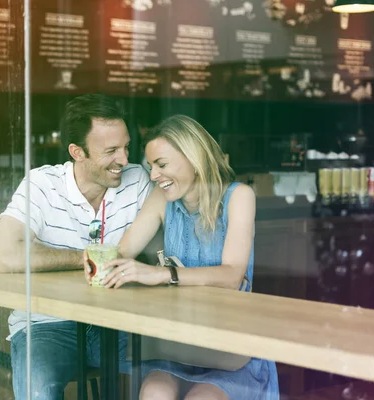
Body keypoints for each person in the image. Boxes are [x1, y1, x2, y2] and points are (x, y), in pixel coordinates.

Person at [84, 114, 279, 400]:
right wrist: (99, 261)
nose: (153, 176)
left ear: (194, 158)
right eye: (151, 166)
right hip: (176, 344)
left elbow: (232, 275)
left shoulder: (239, 197)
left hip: (229, 347)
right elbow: (123, 251)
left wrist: (162, 274)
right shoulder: (161, 199)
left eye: (161, 165)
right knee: (154, 394)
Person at [0, 93, 153, 400]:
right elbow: (5, 256)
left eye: (126, 146)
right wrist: (86, 258)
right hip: (47, 324)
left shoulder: (137, 180)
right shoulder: (42, 184)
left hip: (117, 320)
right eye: (111, 151)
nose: (125, 159)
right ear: (77, 152)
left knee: (163, 378)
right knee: (38, 391)